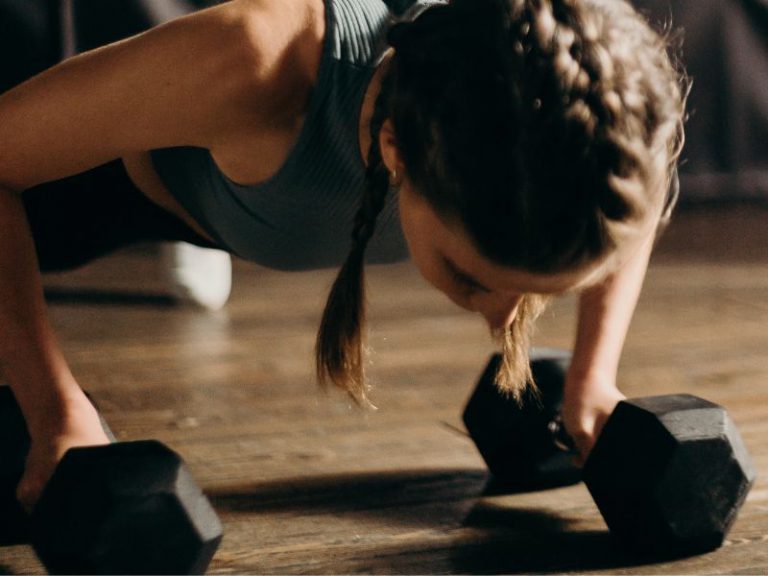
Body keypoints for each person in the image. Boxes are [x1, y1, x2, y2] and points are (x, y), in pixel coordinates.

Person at [0, 0, 685, 511]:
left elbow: (634, 191)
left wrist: (592, 379)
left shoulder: (585, 80)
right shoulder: (258, 65)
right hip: (89, 181)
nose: (501, 319)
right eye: (474, 279)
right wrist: (55, 410)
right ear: (395, 151)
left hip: (238, 191)